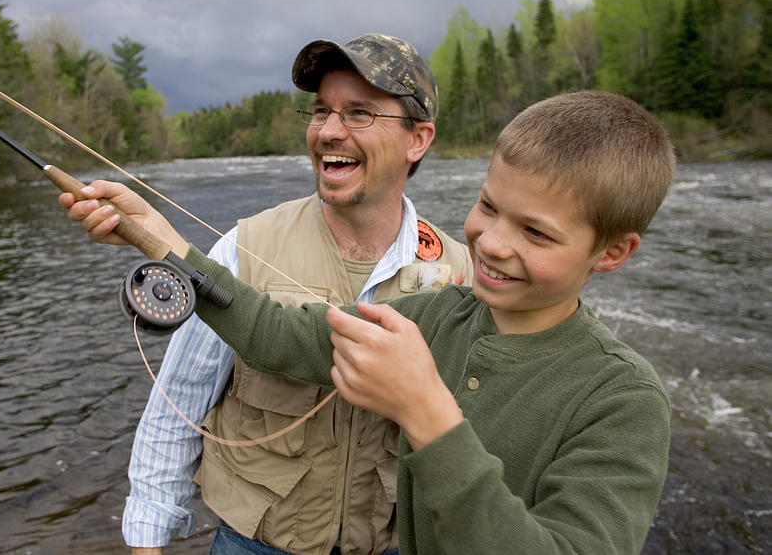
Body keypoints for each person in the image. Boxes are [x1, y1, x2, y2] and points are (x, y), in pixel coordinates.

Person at [73, 89, 676, 554]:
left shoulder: (625, 400)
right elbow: (282, 334)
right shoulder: (440, 314)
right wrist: (163, 245)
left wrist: (424, 410)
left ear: (614, 252)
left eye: (536, 232)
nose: (492, 243)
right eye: (489, 206)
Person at [61, 34, 472, 554]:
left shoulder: (461, 271)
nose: (328, 131)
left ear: (418, 139)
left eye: (360, 113)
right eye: (321, 110)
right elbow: (178, 402)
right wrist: (148, 539)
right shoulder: (245, 245)